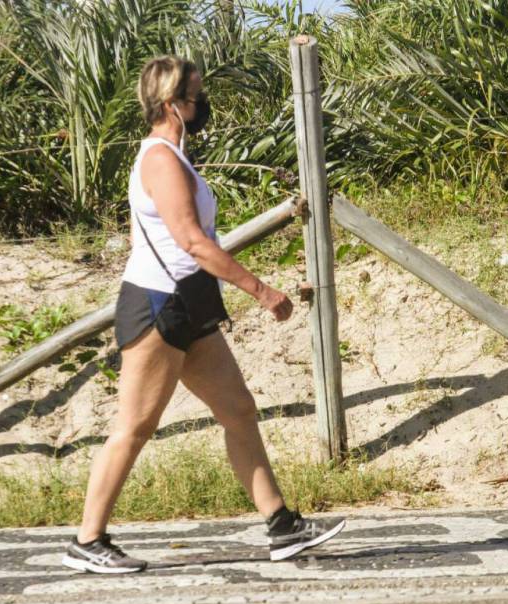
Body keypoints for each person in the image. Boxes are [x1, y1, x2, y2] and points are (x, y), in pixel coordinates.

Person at [61, 55, 346, 574]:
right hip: (159, 307)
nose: (203, 104)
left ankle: (281, 526)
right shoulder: (161, 159)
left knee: (237, 409)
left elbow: (147, 235)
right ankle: (88, 539)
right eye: (196, 96)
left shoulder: (173, 156)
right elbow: (193, 242)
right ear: (173, 104)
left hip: (185, 301)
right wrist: (261, 291)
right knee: (134, 427)